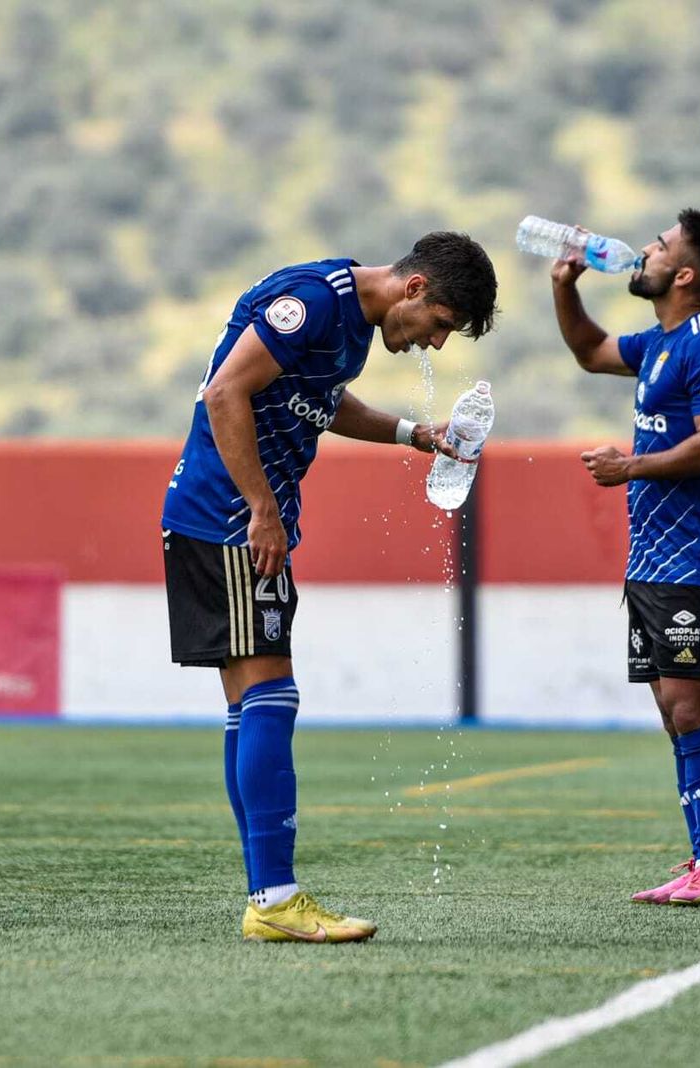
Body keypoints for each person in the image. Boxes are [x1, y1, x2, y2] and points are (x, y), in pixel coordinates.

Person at [162, 232, 497, 942]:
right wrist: (259, 507)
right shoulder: (315, 303)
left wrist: (412, 434)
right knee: (271, 696)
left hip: (225, 518)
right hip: (228, 518)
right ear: (415, 289)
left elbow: (322, 403)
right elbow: (225, 391)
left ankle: (267, 893)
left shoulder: (349, 323)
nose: (434, 344)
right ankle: (275, 900)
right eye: (439, 326)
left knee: (249, 704)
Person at [549, 208, 700, 907]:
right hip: (655, 559)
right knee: (673, 709)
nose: (646, 251)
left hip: (698, 554)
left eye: (660, 246)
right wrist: (564, 287)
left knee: (692, 708)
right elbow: (590, 350)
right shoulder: (660, 342)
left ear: (684, 275)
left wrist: (630, 467)